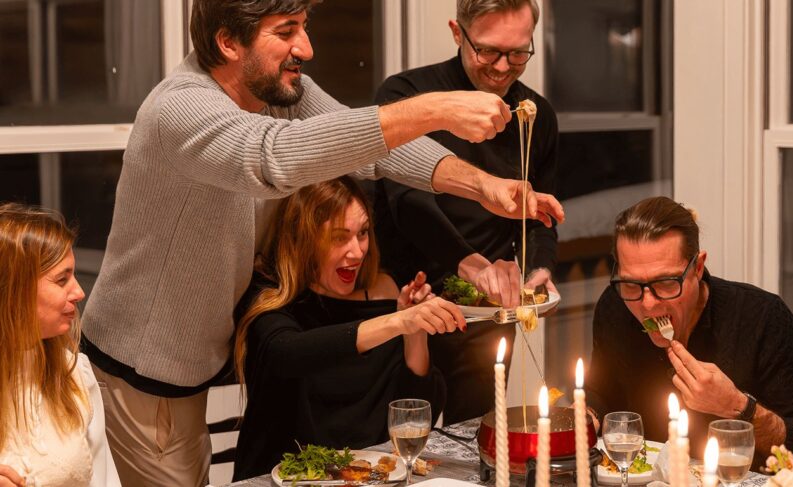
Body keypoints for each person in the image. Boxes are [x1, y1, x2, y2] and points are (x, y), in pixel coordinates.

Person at [79, 1, 564, 485]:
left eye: (305, 28)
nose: (306, 48)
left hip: (200, 359)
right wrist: (434, 108)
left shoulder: (276, 88)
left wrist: (483, 186)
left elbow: (378, 150)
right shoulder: (181, 106)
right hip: (144, 368)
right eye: (287, 31)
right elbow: (275, 158)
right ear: (228, 42)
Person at [372, 0, 558, 424]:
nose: (502, 66)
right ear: (458, 33)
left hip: (485, 311)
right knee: (399, 434)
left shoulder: (536, 115)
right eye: (488, 50)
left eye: (518, 53)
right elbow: (408, 202)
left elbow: (539, 215)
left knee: (476, 433)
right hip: (407, 295)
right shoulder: (407, 97)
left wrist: (537, 269)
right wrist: (471, 266)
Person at [230, 177, 457, 480]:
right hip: (283, 478)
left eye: (362, 233)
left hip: (369, 478)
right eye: (339, 237)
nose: (357, 251)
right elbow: (287, 354)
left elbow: (418, 412)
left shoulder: (384, 291)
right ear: (305, 238)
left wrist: (413, 333)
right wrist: (397, 322)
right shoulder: (271, 295)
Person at [585, 197, 793, 461]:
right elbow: (602, 393)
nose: (648, 304)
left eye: (666, 283)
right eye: (631, 284)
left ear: (698, 267)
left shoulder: (763, 317)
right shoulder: (615, 307)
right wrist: (586, 415)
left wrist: (738, 407)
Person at [0, 203, 120, 487]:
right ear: (13, 290)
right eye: (62, 279)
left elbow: (105, 481)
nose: (79, 292)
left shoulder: (75, 376)